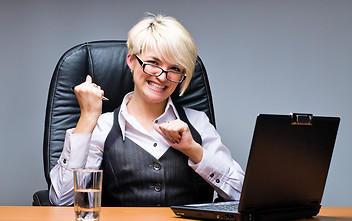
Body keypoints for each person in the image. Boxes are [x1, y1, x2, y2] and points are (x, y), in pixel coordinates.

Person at [49, 14, 245, 206]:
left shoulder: (197, 123)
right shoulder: (102, 126)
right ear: (131, 61)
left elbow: (243, 195)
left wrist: (194, 150)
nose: (162, 77)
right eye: (153, 63)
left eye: (175, 68)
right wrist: (88, 118)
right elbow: (63, 201)